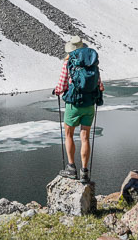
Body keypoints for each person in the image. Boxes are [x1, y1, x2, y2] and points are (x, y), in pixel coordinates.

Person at [53, 35, 104, 183]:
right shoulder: (92, 62)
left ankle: (71, 168)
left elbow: (61, 86)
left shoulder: (69, 62)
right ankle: (85, 172)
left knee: (69, 135)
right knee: (85, 137)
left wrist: (56, 91)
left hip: (74, 104)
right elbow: (100, 85)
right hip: (89, 105)